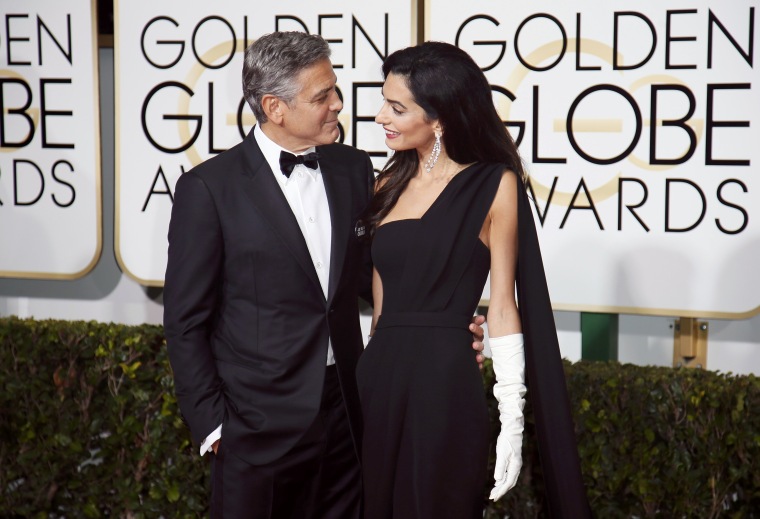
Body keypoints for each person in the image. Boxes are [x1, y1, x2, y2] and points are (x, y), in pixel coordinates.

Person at [163, 32, 486, 518]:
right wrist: (214, 426)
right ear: (275, 107)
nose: (338, 104)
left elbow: (371, 279)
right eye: (322, 97)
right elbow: (185, 321)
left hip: (348, 414)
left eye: (335, 90)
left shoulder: (353, 169)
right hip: (256, 425)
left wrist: (444, 321)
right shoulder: (208, 189)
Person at [357, 41, 591, 518]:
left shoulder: (493, 184)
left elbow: (503, 306)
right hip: (377, 380)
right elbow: (382, 307)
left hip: (443, 383)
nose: (380, 115)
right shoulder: (386, 184)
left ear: (439, 118)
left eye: (396, 107)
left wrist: (512, 420)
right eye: (383, 101)